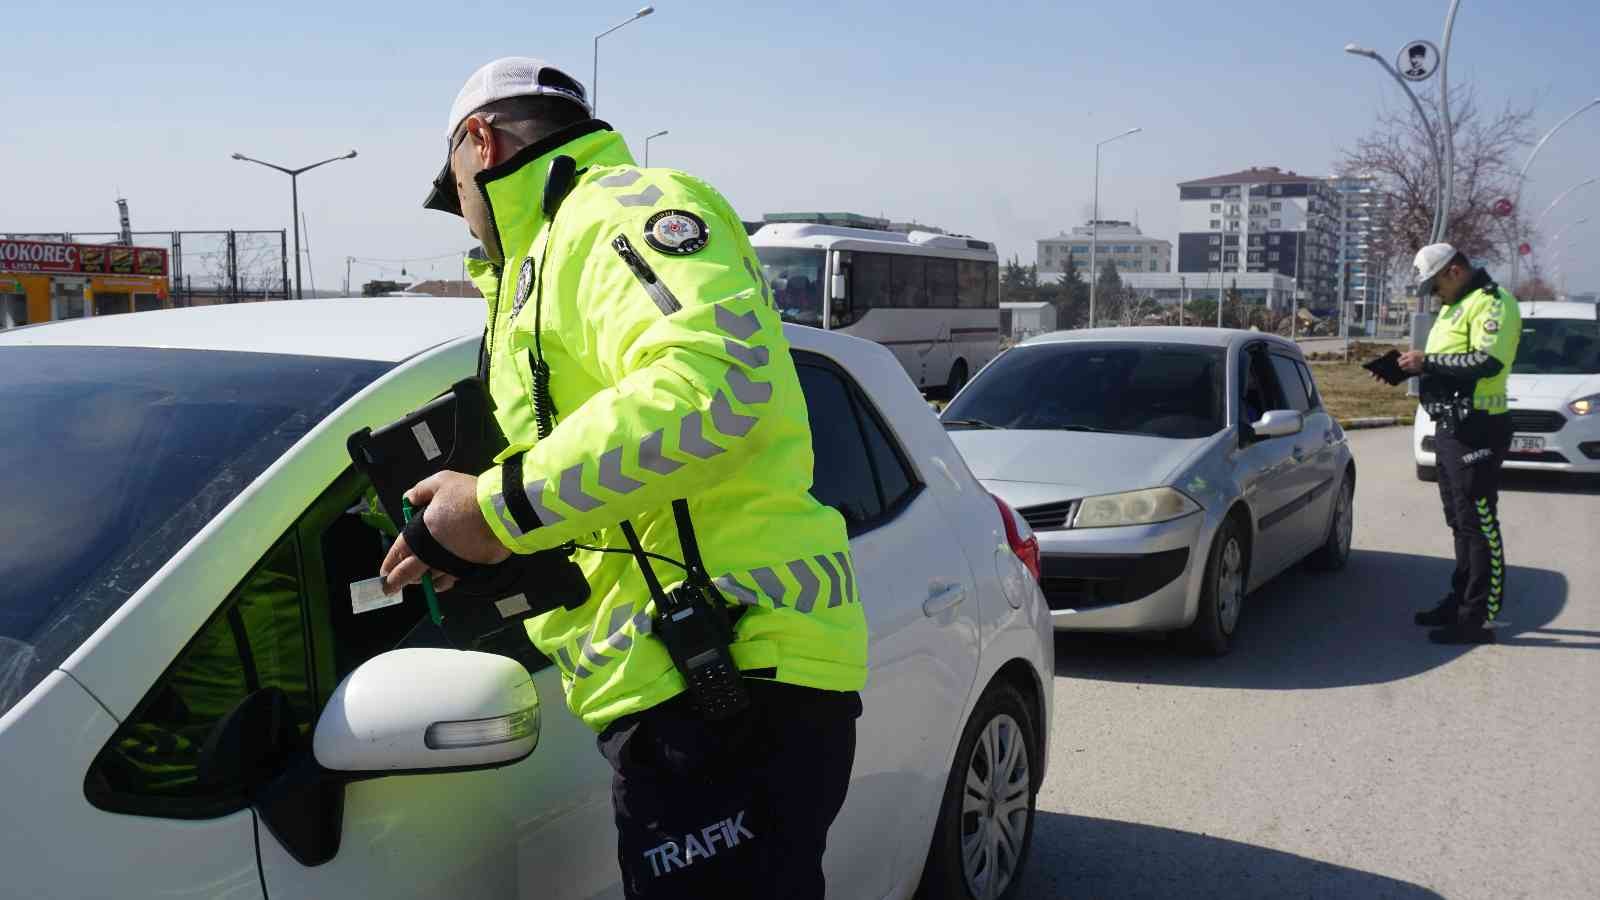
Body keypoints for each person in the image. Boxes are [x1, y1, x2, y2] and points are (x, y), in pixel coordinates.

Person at [378, 58, 868, 897]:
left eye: (450, 189)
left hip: (727, 681)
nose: (461, 220)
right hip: (682, 687)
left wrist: (495, 508)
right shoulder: (548, 262)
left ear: (479, 143)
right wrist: (489, 512)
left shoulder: (616, 213)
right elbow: (617, 454)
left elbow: (717, 388)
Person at [1391, 243, 1521, 644]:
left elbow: (1487, 362)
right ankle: (1460, 599)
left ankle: (1479, 616)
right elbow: (1450, 360)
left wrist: (1426, 363)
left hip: (1480, 426)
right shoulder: (1453, 306)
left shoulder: (1494, 303)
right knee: (1460, 522)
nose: (1433, 294)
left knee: (1480, 523)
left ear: (1454, 271)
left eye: (1434, 285)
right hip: (1450, 428)